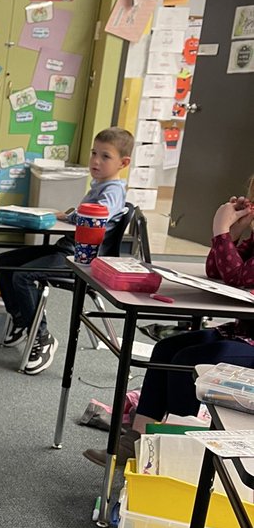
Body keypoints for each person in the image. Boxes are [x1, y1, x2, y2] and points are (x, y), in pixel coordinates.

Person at [85, 180, 254, 468]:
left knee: (190, 361)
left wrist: (222, 233)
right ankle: (136, 441)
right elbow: (217, 271)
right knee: (166, 349)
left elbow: (239, 278)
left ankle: (173, 451)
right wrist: (234, 236)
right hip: (241, 333)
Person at [0, 126, 134, 375]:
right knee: (4, 261)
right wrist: (68, 216)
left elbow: (100, 214)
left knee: (23, 275)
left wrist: (71, 216)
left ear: (123, 162)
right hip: (68, 248)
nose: (96, 160)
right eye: (94, 153)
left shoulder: (113, 190)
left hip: (81, 260)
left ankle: (42, 336)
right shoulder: (99, 185)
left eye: (105, 156)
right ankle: (22, 320)